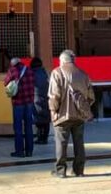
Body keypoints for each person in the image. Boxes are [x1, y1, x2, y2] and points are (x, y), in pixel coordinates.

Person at [48, 50, 94, 178]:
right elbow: (91, 97)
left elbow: (54, 95)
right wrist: (84, 108)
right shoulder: (83, 74)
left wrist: (53, 111)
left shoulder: (57, 72)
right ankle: (79, 170)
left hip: (62, 115)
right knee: (79, 143)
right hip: (79, 115)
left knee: (61, 143)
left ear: (62, 60)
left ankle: (60, 171)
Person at [3, 57, 35, 158]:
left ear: (12, 64)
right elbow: (34, 82)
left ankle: (19, 151)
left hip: (18, 102)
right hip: (29, 102)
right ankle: (29, 151)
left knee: (18, 128)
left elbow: (5, 83)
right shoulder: (29, 70)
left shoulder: (12, 70)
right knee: (29, 127)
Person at [31, 57, 50, 144]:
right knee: (46, 119)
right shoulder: (45, 72)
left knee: (38, 119)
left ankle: (40, 138)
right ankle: (45, 138)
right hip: (46, 97)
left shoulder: (32, 73)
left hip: (36, 97)